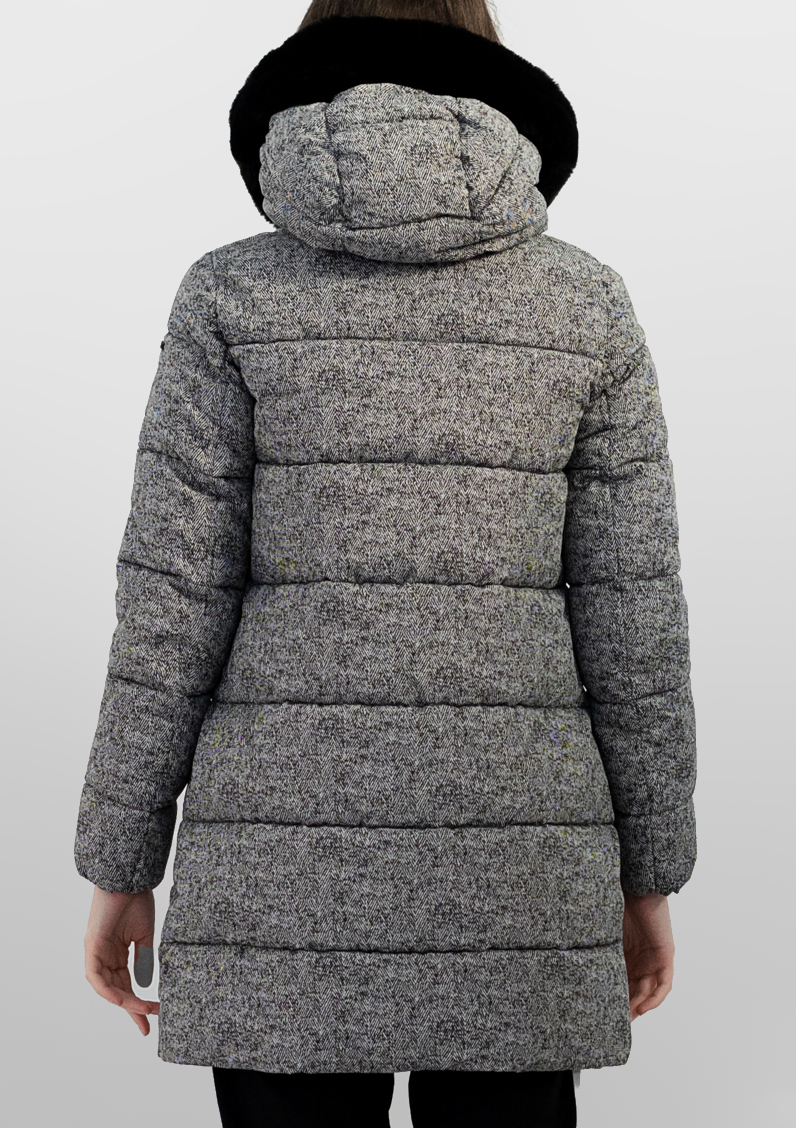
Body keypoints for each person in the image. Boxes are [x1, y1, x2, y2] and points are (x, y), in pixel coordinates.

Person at [75, 2, 698, 1125]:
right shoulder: (584, 301)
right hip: (524, 857)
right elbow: (634, 620)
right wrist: (649, 873)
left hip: (276, 872)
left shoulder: (230, 293)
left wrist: (121, 865)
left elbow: (169, 605)